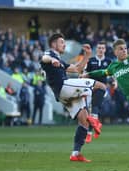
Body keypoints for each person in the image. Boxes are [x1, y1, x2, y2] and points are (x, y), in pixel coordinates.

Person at [40, 33, 106, 162]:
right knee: (101, 86)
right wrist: (53, 60)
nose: (64, 44)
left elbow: (77, 69)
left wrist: (87, 55)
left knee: (83, 122)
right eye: (62, 42)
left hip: (64, 95)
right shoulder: (50, 54)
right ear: (54, 44)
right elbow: (45, 57)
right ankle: (94, 117)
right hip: (64, 87)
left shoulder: (60, 60)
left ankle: (75, 153)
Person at [84, 41, 111, 143]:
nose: (100, 50)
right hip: (90, 88)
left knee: (94, 107)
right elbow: (86, 73)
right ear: (96, 49)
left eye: (102, 48)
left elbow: (113, 74)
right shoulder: (91, 61)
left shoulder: (108, 61)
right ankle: (97, 125)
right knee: (90, 111)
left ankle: (89, 133)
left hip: (102, 88)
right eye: (99, 48)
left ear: (105, 50)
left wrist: (115, 82)